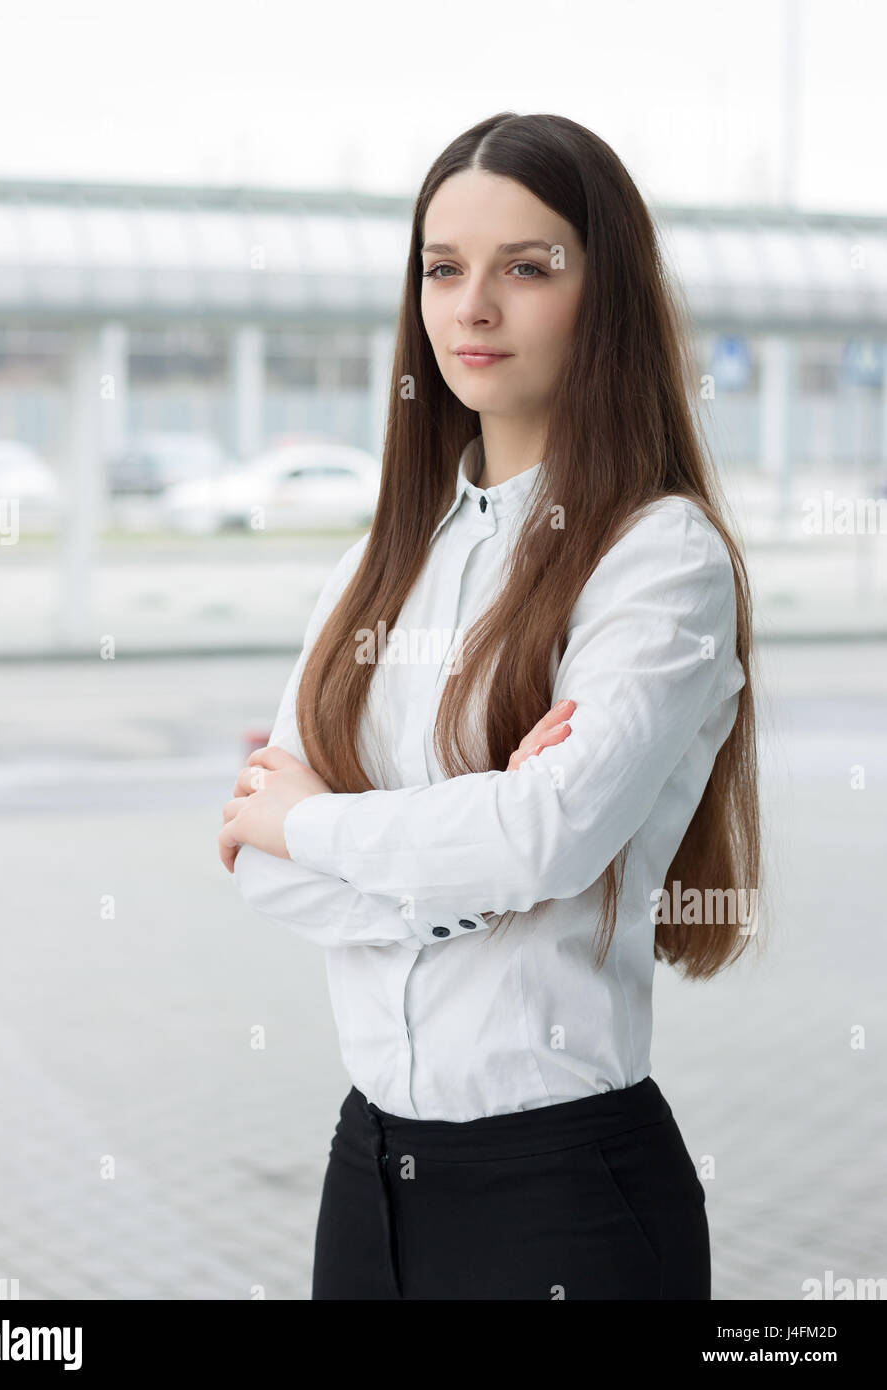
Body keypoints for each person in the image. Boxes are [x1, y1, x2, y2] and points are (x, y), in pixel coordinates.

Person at [218, 111, 764, 1300]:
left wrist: (323, 823)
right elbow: (253, 861)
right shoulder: (382, 560)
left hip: (562, 1200)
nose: (472, 307)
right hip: (365, 1183)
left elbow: (544, 835)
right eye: (442, 268)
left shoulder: (656, 558)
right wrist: (477, 846)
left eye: (526, 267)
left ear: (603, 293)